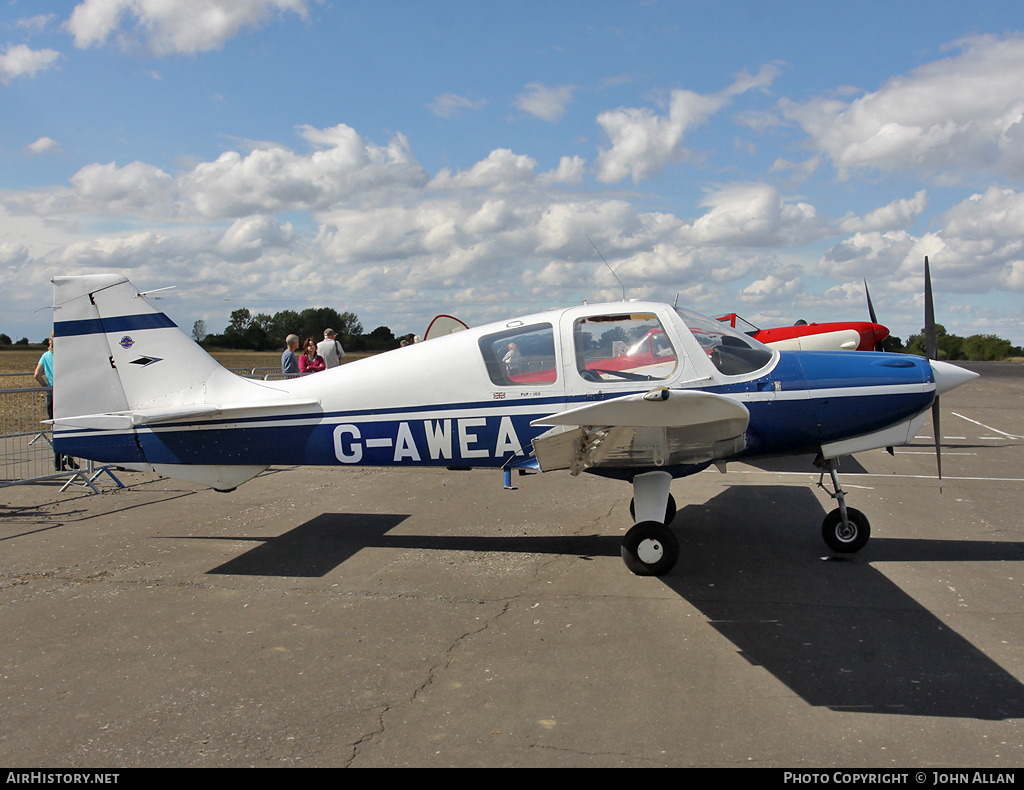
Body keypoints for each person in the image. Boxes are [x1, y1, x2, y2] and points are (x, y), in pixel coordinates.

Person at [34, 334, 77, 471]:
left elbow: (37, 374)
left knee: (56, 428)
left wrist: (46, 386)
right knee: (69, 427)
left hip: (52, 393)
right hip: (65, 392)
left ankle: (62, 459)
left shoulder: (46, 355)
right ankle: (62, 458)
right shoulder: (64, 355)